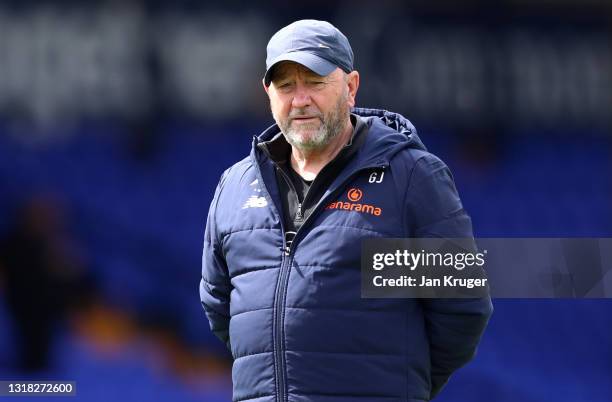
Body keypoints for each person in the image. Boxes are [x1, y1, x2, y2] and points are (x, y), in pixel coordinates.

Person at [200, 19, 493, 402]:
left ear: (351, 87)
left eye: (315, 82)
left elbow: (462, 308)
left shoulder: (408, 178)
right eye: (286, 85)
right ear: (268, 93)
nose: (300, 99)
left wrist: (398, 385)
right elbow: (221, 308)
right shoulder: (235, 187)